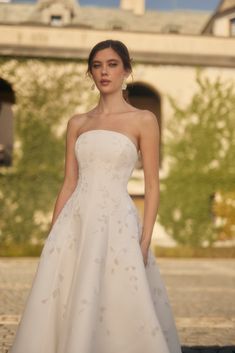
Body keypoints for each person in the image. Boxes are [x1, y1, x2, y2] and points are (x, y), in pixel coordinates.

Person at [9, 39, 182, 353]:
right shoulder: (78, 123)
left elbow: (153, 186)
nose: (105, 72)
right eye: (97, 65)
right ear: (90, 73)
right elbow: (68, 183)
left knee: (118, 298)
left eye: (112, 65)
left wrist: (143, 242)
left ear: (126, 71)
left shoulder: (143, 120)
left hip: (119, 222)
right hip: (74, 223)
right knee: (66, 298)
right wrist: (53, 236)